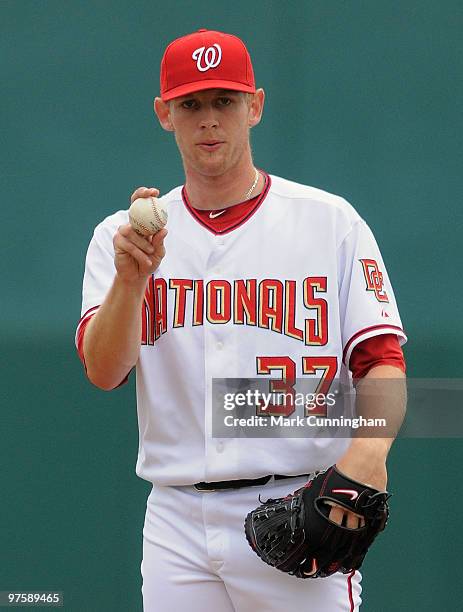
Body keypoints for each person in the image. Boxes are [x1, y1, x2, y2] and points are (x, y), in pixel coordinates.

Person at [76, 29, 407, 611]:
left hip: (297, 501)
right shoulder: (121, 239)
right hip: (175, 517)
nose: (209, 120)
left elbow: (381, 361)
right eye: (192, 104)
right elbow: (104, 372)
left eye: (224, 101)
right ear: (164, 114)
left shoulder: (330, 223)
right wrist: (132, 281)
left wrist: (365, 461)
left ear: (254, 105)